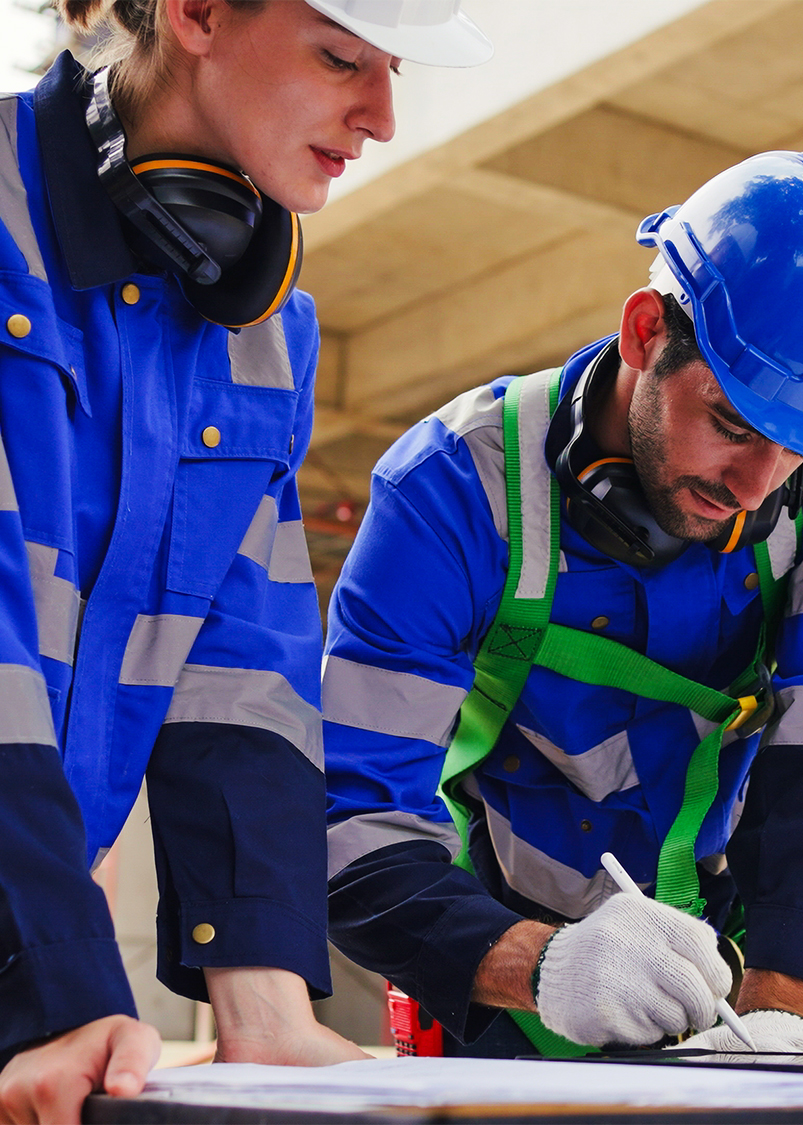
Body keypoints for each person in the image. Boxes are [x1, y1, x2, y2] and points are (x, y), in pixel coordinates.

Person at [0, 0, 491, 1121]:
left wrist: (262, 1005)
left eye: (392, 69)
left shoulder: (263, 331)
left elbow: (244, 672)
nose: (380, 116)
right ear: (200, 13)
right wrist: (56, 990)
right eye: (340, 58)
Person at [322, 150, 803, 1058]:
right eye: (731, 423)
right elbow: (346, 816)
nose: (759, 487)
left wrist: (779, 1008)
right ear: (646, 332)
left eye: (796, 451)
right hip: (490, 974)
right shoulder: (450, 493)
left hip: (720, 984)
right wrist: (541, 966)